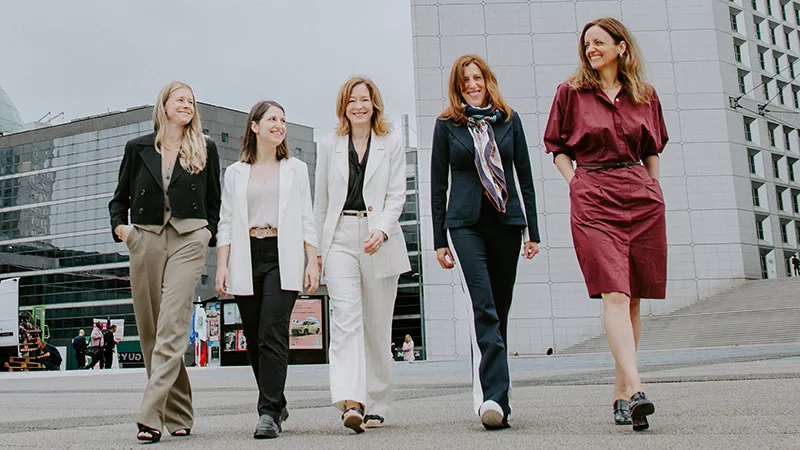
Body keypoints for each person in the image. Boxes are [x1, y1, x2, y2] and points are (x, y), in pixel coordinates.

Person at [543, 17, 668, 432]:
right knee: (614, 293)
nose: (591, 49)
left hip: (640, 195)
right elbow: (557, 146)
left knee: (633, 299)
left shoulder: (645, 95)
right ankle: (636, 389)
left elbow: (652, 149)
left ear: (621, 47)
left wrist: (653, 187)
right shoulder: (570, 93)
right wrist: (574, 181)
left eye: (599, 42)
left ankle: (621, 395)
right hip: (593, 195)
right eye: (587, 44)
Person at [430, 54, 540, 430]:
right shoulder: (447, 125)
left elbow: (524, 176)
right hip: (464, 225)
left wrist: (533, 232)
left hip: (507, 223)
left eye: (477, 78)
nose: (472, 85)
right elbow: (437, 184)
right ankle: (491, 397)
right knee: (484, 307)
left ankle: (500, 403)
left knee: (500, 311)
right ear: (457, 88)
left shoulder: (509, 120)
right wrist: (438, 240)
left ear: (487, 80)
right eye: (465, 82)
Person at [109, 80, 221, 443]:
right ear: (165, 105)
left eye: (191, 101)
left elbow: (215, 201)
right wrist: (123, 231)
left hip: (189, 237)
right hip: (146, 238)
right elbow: (119, 198)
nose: (187, 105)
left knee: (173, 322)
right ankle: (179, 413)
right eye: (181, 99)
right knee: (151, 328)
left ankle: (150, 413)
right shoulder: (138, 147)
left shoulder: (205, 148)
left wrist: (207, 233)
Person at [215, 100, 319, 440]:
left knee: (273, 332)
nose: (279, 124)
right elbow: (226, 222)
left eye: (283, 120)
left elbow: (307, 216)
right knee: (255, 337)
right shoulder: (235, 173)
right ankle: (278, 399)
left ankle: (268, 412)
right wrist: (222, 266)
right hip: (247, 254)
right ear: (255, 126)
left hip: (282, 253)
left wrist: (312, 260)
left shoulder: (295, 168)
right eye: (272, 118)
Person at [315, 76, 410, 433]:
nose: (358, 106)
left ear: (374, 104)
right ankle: (350, 401)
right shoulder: (329, 145)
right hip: (339, 236)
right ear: (344, 106)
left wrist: (382, 229)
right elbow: (321, 202)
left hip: (378, 236)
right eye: (352, 100)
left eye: (364, 100)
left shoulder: (391, 142)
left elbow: (397, 195)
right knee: (345, 321)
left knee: (376, 324)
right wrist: (318, 251)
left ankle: (377, 402)